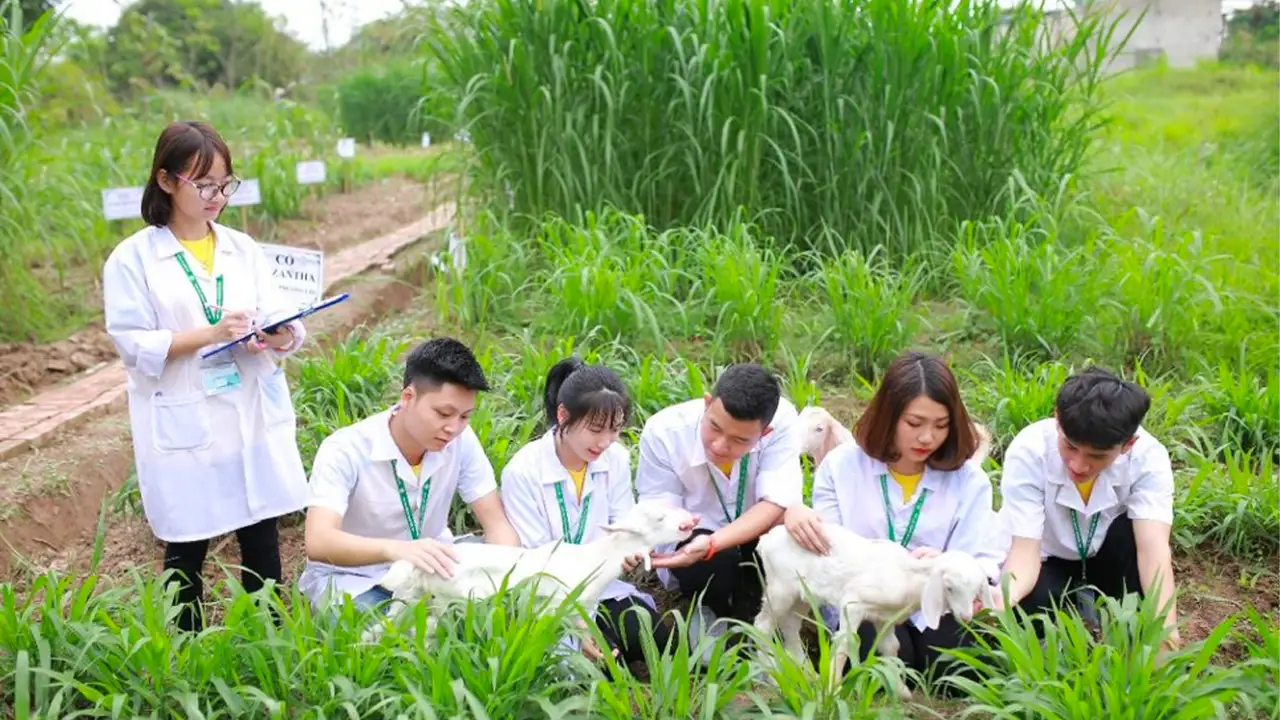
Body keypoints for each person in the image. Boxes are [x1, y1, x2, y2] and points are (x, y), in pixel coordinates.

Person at [102, 121, 309, 633]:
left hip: (249, 405)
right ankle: (187, 650)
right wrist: (210, 334)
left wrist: (279, 334)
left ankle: (268, 639)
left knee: (261, 528)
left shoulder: (242, 247)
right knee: (187, 537)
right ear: (167, 181)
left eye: (225, 184)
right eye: (205, 185)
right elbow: (133, 343)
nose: (218, 196)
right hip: (186, 413)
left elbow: (286, 322)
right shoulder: (133, 259)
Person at [783, 350, 1002, 680]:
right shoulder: (842, 467)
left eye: (941, 425)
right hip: (865, 597)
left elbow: (983, 558)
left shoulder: (969, 481)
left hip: (935, 600)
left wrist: (949, 559)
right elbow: (833, 551)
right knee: (880, 666)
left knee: (954, 671)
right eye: (914, 424)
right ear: (889, 415)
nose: (927, 438)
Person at [298, 336, 521, 612]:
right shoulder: (345, 449)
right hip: (356, 578)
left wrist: (504, 583)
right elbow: (319, 541)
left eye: (465, 417)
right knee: (387, 637)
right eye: (443, 413)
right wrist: (396, 550)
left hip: (432, 568)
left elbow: (496, 523)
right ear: (408, 397)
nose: (453, 428)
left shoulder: (461, 441)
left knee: (486, 616)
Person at [501, 357, 689, 666]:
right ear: (563, 415)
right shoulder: (522, 471)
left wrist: (630, 556)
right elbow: (537, 558)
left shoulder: (614, 458)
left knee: (658, 640)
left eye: (615, 429)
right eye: (596, 429)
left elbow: (625, 523)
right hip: (551, 596)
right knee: (586, 666)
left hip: (602, 586)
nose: (605, 442)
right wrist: (577, 622)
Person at [993, 367, 1181, 650]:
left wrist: (1166, 633)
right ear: (1057, 418)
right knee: (1029, 619)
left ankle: (1112, 615)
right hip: (1046, 559)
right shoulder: (1030, 450)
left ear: (1128, 444)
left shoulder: (1148, 458)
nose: (1079, 466)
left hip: (1106, 555)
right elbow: (1024, 549)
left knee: (1133, 539)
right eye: (1069, 447)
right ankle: (1074, 607)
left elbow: (1153, 550)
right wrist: (1003, 600)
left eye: (1097, 456)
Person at [635, 363, 804, 639]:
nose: (719, 446)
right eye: (714, 427)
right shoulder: (663, 432)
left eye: (739, 440)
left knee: (790, 535)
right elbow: (658, 511)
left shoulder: (783, 421)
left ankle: (765, 617)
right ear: (707, 403)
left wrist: (716, 541)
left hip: (756, 532)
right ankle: (707, 608)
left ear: (765, 434)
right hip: (693, 544)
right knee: (710, 562)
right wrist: (691, 533)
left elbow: (775, 502)